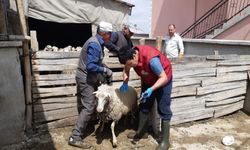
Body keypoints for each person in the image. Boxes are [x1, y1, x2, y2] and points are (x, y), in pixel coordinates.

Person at [68, 21, 113, 149]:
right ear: (103, 33)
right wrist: (105, 70)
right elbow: (91, 66)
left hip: (89, 77)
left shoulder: (98, 42)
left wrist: (106, 71)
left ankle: (85, 126)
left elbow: (96, 63)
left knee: (91, 104)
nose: (110, 36)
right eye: (109, 34)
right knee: (89, 106)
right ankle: (75, 137)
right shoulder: (94, 44)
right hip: (85, 78)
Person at [118, 45, 173, 150]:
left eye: (130, 64)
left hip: (163, 79)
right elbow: (126, 69)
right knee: (144, 105)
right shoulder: (130, 57)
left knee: (163, 108)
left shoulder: (152, 60)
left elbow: (163, 77)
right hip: (149, 79)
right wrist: (125, 82)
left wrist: (151, 89)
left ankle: (165, 142)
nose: (129, 66)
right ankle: (142, 132)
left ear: (134, 56)